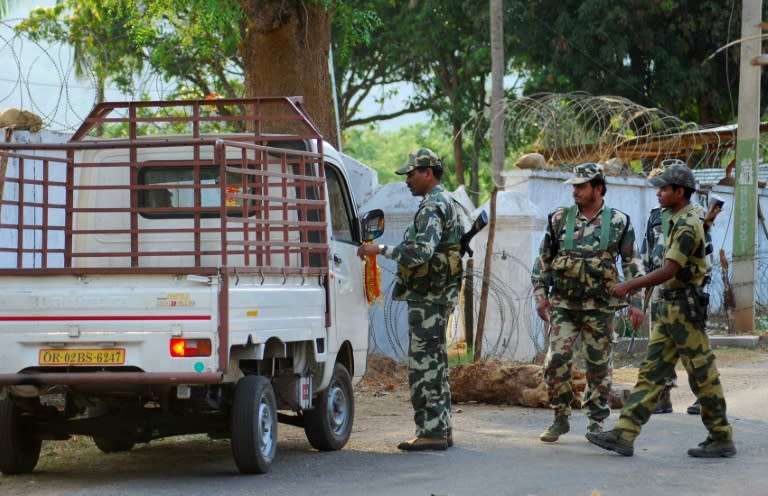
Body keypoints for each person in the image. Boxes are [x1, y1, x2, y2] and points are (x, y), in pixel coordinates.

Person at [586, 164, 736, 458]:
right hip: (671, 309)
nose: (658, 193)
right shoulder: (676, 218)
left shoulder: (688, 224)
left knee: (702, 375)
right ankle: (625, 433)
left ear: (679, 192)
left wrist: (629, 285)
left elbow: (670, 269)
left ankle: (721, 436)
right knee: (651, 373)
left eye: (664, 189)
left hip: (684, 309)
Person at [357, 148, 464, 451]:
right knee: (436, 365)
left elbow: (421, 252)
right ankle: (440, 429)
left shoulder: (433, 207)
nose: (407, 180)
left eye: (412, 174)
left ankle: (431, 431)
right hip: (437, 295)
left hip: (429, 298)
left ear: (428, 173)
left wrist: (379, 250)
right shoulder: (448, 203)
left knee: (424, 367)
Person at [531, 163, 645, 443]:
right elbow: (544, 259)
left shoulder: (618, 222)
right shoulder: (559, 219)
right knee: (555, 360)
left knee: (599, 365)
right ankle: (560, 416)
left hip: (601, 306)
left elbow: (632, 263)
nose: (575, 191)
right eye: (574, 186)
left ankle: (596, 420)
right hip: (563, 305)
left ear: (598, 188)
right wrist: (540, 296)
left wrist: (636, 302)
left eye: (581, 186)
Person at [642, 160, 711, 416]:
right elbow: (648, 251)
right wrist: (643, 284)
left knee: (691, 346)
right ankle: (662, 396)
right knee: (658, 345)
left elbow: (705, 252)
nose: (658, 192)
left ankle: (704, 396)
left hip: (686, 289)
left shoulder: (695, 217)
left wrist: (702, 283)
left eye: (664, 187)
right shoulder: (655, 216)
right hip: (658, 286)